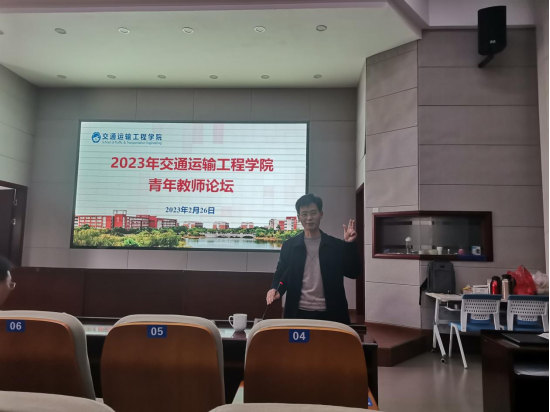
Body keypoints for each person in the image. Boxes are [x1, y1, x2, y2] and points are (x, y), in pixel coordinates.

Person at [265, 194, 361, 324]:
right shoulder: (289, 246)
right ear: (299, 217)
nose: (309, 218)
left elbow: (353, 272)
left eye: (313, 213)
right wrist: (275, 289)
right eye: (304, 214)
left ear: (321, 214)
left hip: (332, 313)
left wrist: (349, 245)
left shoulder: (336, 245)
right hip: (297, 312)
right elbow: (281, 273)